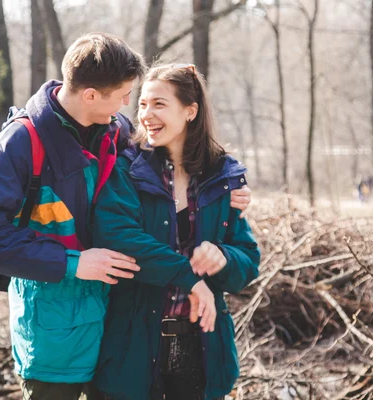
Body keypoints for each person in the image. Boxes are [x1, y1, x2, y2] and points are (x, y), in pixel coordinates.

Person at [0, 34, 251, 400]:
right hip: (56, 330)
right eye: (125, 95)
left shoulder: (120, 133)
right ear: (91, 95)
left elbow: (183, 172)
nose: (131, 106)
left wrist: (231, 189)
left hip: (117, 328)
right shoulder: (19, 143)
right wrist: (72, 263)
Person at [90, 64, 261, 400]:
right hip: (133, 349)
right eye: (142, 104)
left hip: (202, 351)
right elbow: (119, 238)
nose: (146, 115)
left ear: (190, 111)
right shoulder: (126, 169)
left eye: (159, 104)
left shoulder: (221, 178)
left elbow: (248, 264)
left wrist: (224, 258)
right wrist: (190, 277)